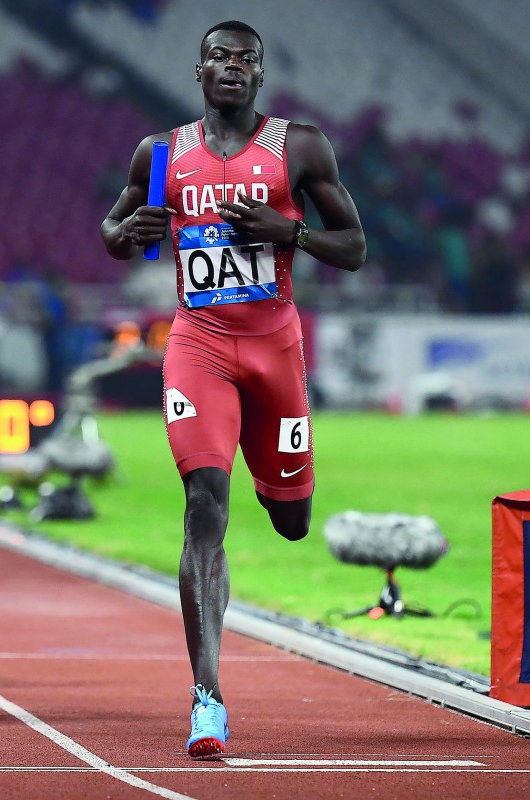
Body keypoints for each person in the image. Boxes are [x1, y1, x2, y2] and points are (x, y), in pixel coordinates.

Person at [101, 20, 366, 758]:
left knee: (290, 520)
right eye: (219, 56)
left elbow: (355, 247)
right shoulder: (161, 153)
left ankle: (264, 516)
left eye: (245, 59)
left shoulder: (299, 146)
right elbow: (114, 226)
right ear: (198, 71)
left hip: (275, 349)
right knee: (204, 502)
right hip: (199, 347)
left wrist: (291, 235)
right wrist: (125, 232)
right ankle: (207, 696)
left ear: (259, 75)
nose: (231, 68)